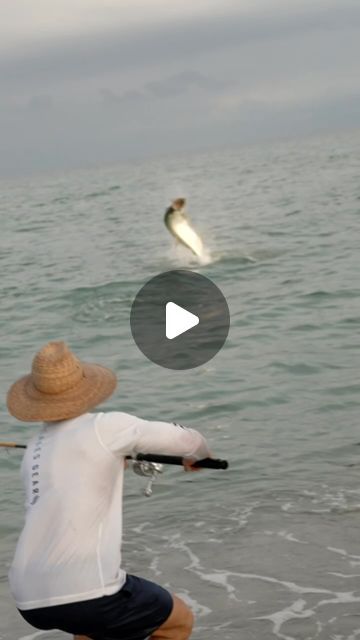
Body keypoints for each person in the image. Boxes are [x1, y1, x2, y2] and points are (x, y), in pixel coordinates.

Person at [6, 341, 212, 640]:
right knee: (177, 622)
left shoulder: (34, 449)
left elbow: (72, 489)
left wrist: (115, 461)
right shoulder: (106, 427)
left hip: (29, 597)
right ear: (84, 386)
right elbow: (187, 441)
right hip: (85, 590)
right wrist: (200, 456)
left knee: (89, 629)